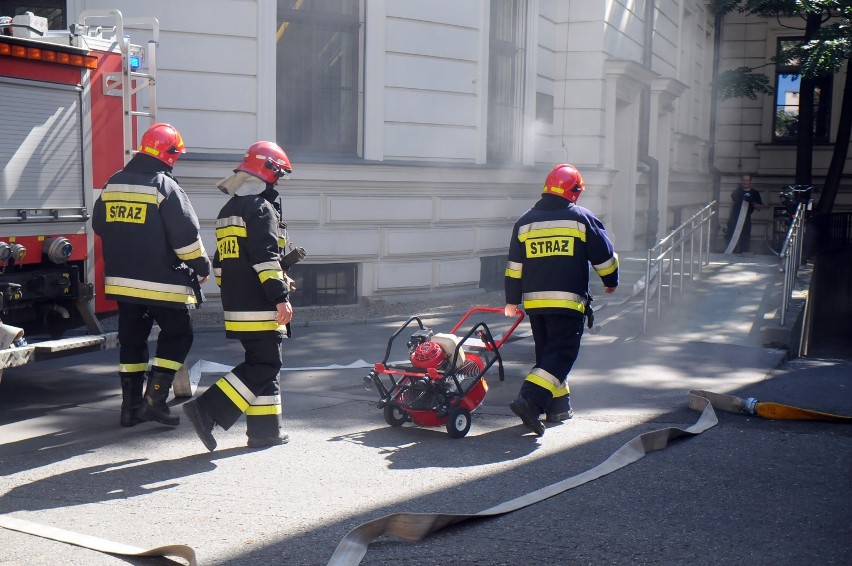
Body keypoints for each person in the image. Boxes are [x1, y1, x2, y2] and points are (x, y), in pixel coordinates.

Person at [92, 122, 211, 428]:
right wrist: (202, 267)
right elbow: (186, 238)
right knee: (179, 335)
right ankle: (154, 402)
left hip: (123, 284)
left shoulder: (114, 183)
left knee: (133, 343)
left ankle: (130, 408)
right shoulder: (164, 186)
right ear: (168, 154)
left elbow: (99, 226)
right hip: (163, 285)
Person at [183, 141, 294, 451]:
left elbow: (221, 262)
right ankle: (207, 409)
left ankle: (265, 431)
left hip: (238, 303)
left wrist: (236, 292)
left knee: (262, 362)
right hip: (260, 304)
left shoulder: (229, 209)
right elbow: (264, 257)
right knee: (266, 363)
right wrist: (279, 295)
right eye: (279, 175)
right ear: (269, 172)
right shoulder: (261, 208)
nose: (279, 182)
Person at [504, 164, 619, 436]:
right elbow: (604, 257)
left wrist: (512, 300)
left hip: (536, 306)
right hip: (567, 304)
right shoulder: (581, 219)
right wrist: (611, 282)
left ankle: (558, 407)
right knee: (562, 354)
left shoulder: (524, 222)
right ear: (575, 191)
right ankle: (530, 400)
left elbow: (514, 268)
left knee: (548, 354)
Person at [727, 174, 764, 253]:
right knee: (732, 239)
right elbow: (732, 205)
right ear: (741, 181)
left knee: (745, 239)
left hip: (746, 219)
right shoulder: (736, 191)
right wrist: (729, 218)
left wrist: (752, 202)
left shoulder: (754, 193)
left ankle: (743, 258)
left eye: (747, 180)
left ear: (750, 182)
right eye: (743, 180)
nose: (745, 182)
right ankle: (730, 256)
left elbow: (759, 208)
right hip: (735, 218)